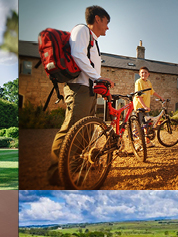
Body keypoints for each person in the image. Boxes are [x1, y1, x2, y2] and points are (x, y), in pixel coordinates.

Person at [47, 5, 114, 187]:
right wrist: (98, 78)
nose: (108, 27)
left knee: (85, 131)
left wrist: (97, 82)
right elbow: (77, 54)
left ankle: (75, 167)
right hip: (79, 89)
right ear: (98, 19)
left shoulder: (92, 39)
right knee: (70, 130)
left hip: (89, 90)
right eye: (107, 22)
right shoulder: (81, 30)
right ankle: (56, 173)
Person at [133, 66, 164, 147]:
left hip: (146, 107)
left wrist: (160, 97)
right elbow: (138, 95)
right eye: (142, 72)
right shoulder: (138, 82)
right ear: (139, 74)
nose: (144, 74)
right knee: (139, 126)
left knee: (146, 125)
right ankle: (136, 144)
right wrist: (144, 106)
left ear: (148, 74)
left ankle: (147, 142)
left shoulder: (148, 82)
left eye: (145, 72)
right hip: (140, 107)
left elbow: (152, 92)